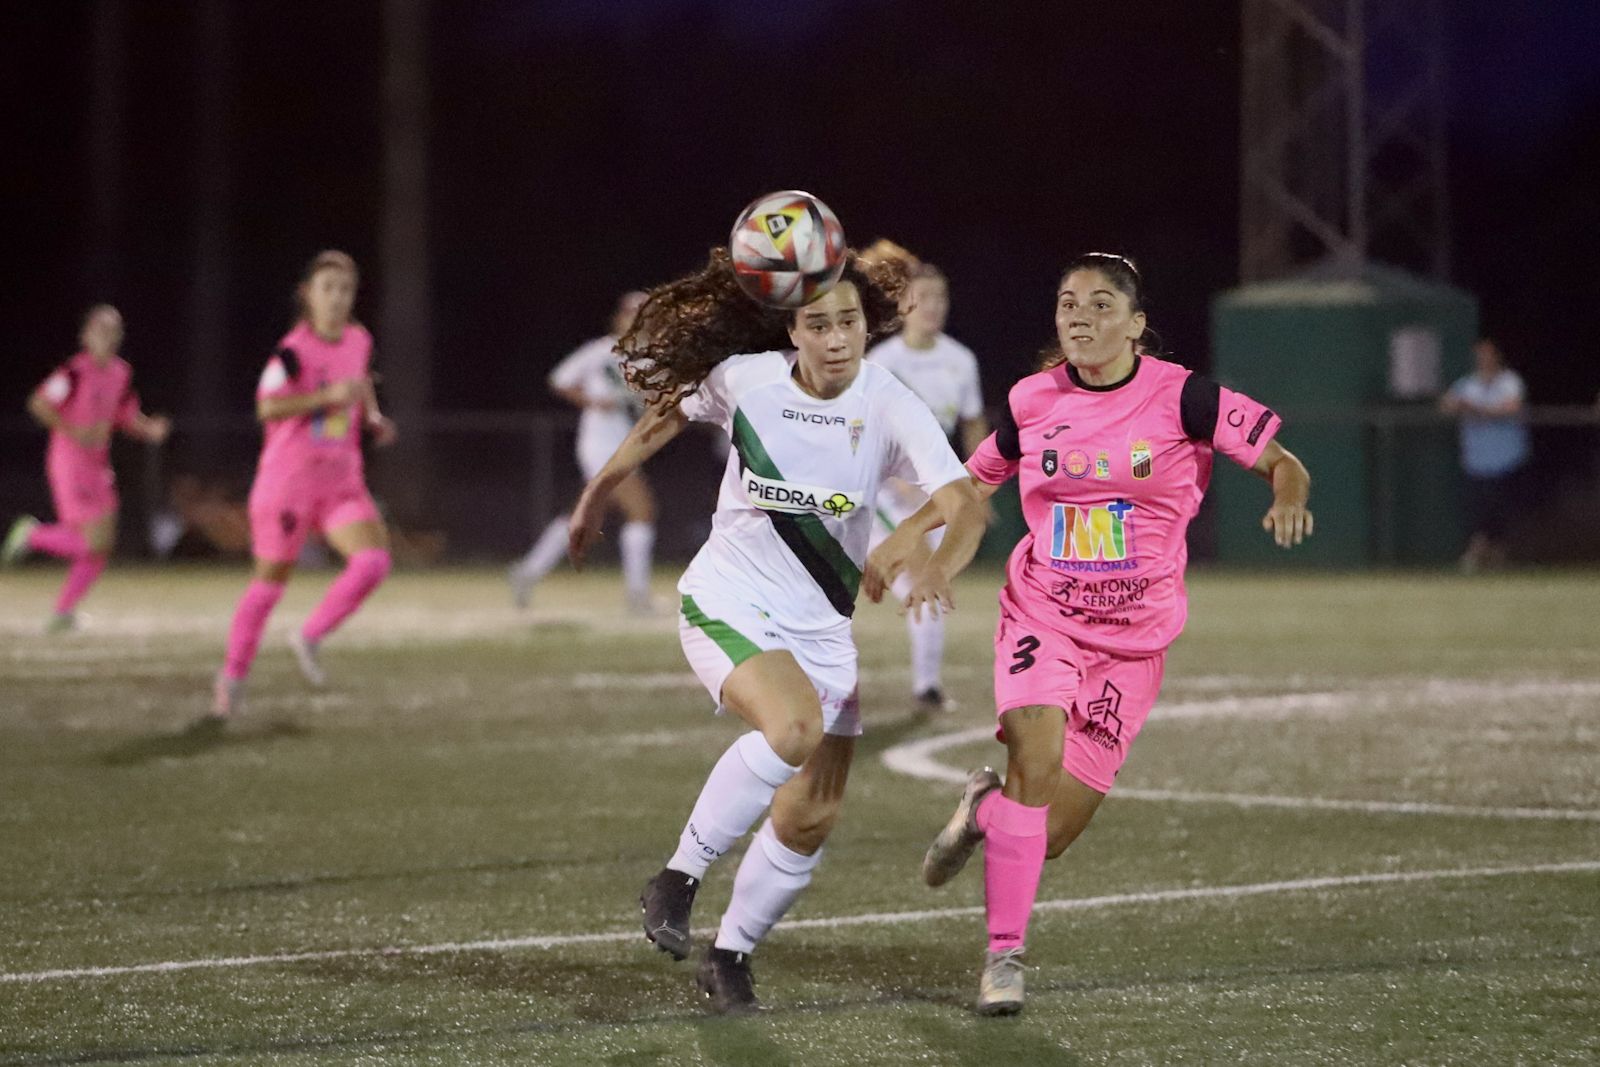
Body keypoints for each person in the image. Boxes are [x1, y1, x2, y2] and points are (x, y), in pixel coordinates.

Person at [867, 253, 1313, 1016]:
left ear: (1137, 325)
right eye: (1068, 302)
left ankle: (982, 808)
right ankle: (1004, 958)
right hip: (1043, 614)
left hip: (1133, 644)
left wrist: (1289, 495)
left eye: (1101, 304)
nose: (1080, 316)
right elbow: (974, 483)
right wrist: (915, 534)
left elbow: (1282, 459)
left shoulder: (1186, 398)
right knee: (1034, 755)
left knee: (1047, 833)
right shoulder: (1032, 399)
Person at [568, 246, 987, 1014]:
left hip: (822, 630)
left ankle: (729, 956)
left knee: (810, 814)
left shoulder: (889, 400)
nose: (836, 339)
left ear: (868, 328)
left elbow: (966, 501)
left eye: (850, 323)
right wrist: (600, 487)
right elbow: (666, 414)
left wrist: (935, 563)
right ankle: (677, 877)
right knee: (794, 725)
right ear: (790, 330)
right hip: (726, 599)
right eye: (818, 324)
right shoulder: (747, 379)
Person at [210, 250, 399, 718]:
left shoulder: (358, 339)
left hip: (341, 480)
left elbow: (359, 379)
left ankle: (310, 635)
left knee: (373, 562)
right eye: (327, 288)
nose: (337, 298)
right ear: (308, 295)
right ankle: (232, 675)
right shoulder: (292, 351)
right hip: (289, 483)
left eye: (346, 289)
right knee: (270, 584)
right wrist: (324, 398)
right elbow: (267, 408)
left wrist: (372, 416)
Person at [2, 305, 171, 629]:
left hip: (98, 464)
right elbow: (38, 404)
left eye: (114, 330)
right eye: (101, 330)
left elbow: (125, 415)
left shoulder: (121, 373)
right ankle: (33, 535)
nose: (108, 337)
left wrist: (150, 428)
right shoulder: (73, 372)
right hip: (70, 462)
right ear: (86, 336)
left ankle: (63, 612)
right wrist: (73, 429)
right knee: (90, 542)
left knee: (102, 546)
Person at [867, 260, 988, 711]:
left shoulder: (960, 360)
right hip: (889, 496)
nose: (933, 306)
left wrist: (976, 486)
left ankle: (926, 684)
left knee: (927, 584)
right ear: (903, 304)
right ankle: (926, 688)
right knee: (923, 577)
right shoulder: (883, 363)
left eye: (941, 297)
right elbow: (869, 432)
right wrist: (899, 480)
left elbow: (973, 425)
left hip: (938, 495)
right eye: (923, 297)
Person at [510, 291, 657, 611]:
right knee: (641, 511)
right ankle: (637, 595)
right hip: (600, 443)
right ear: (619, 318)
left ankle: (527, 572)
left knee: (583, 515)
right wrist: (593, 402)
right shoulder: (601, 351)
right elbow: (560, 380)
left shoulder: (650, 359)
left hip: (624, 444)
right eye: (632, 313)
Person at [1439, 338, 1529, 571]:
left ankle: (1494, 557)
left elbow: (1511, 407)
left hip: (1506, 458)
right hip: (1476, 460)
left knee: (1500, 510)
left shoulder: (1509, 381)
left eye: (1488, 355)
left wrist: (1476, 409)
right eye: (1480, 356)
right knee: (1478, 509)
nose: (1483, 360)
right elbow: (1446, 405)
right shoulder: (1468, 384)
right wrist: (1457, 404)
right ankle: (1478, 553)